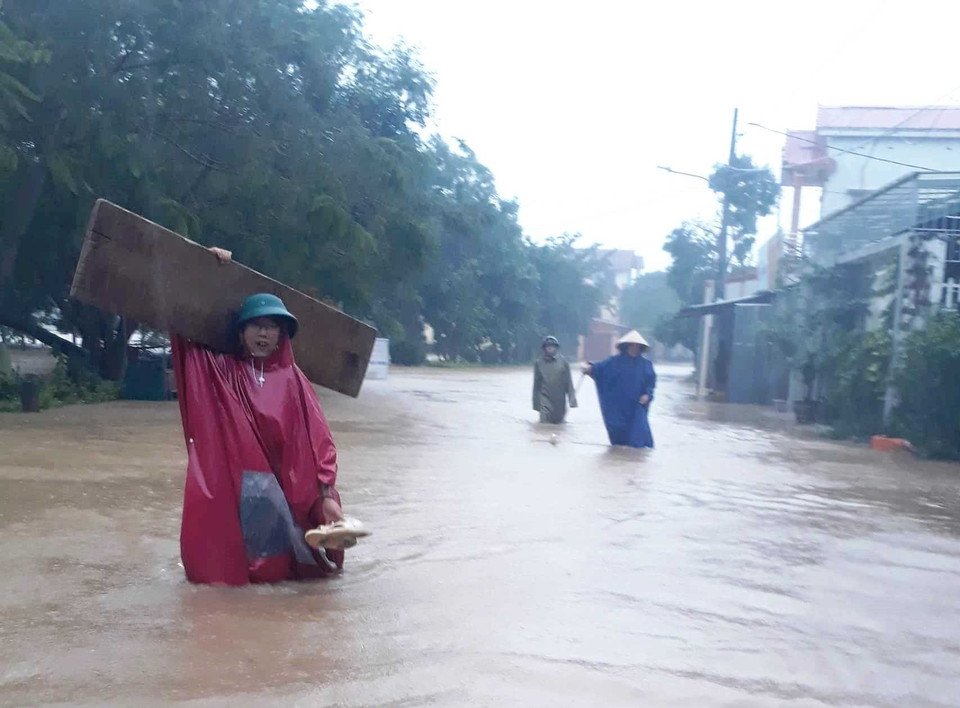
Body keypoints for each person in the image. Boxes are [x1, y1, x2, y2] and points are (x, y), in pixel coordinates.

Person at [171, 247, 367, 586]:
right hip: (243, 482)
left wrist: (327, 499)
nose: (264, 334)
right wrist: (211, 270)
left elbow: (319, 440)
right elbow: (184, 331)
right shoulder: (221, 371)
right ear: (241, 331)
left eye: (272, 327)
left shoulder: (295, 382)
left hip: (289, 488)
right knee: (248, 573)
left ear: (282, 335)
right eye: (257, 326)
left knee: (282, 574)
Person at [582, 330, 656, 448]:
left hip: (637, 406)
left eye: (637, 346)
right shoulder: (614, 362)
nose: (634, 349)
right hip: (618, 407)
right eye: (632, 346)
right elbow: (600, 369)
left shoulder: (646, 365)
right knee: (619, 439)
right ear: (626, 346)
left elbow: (650, 385)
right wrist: (589, 368)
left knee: (640, 437)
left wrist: (647, 395)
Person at [532, 335, 577, 424]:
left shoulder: (564, 362)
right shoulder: (538, 363)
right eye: (547, 346)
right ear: (544, 348)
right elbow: (536, 384)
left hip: (559, 399)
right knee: (544, 422)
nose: (549, 348)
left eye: (552, 346)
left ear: (556, 348)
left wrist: (572, 398)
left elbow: (568, 382)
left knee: (558, 423)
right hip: (544, 397)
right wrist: (536, 403)